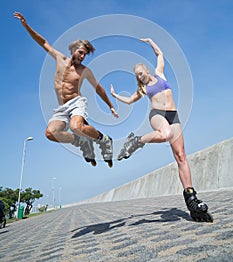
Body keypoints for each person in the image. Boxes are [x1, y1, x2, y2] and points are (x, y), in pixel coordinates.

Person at [110, 38, 213, 222]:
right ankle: (136, 141)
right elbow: (130, 100)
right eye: (137, 75)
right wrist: (115, 95)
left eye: (141, 73)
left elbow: (160, 54)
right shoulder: (143, 89)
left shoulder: (159, 74)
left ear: (147, 70)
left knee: (181, 156)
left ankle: (191, 199)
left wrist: (151, 41)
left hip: (174, 116)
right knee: (165, 135)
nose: (140, 76)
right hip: (157, 115)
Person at [14, 12, 118, 168]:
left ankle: (104, 140)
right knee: (50, 133)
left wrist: (110, 106)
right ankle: (82, 143)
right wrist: (26, 25)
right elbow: (43, 42)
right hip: (62, 106)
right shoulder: (59, 59)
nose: (82, 56)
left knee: (76, 126)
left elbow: (99, 89)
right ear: (73, 50)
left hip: (77, 103)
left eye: (85, 54)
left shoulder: (84, 71)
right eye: (80, 52)